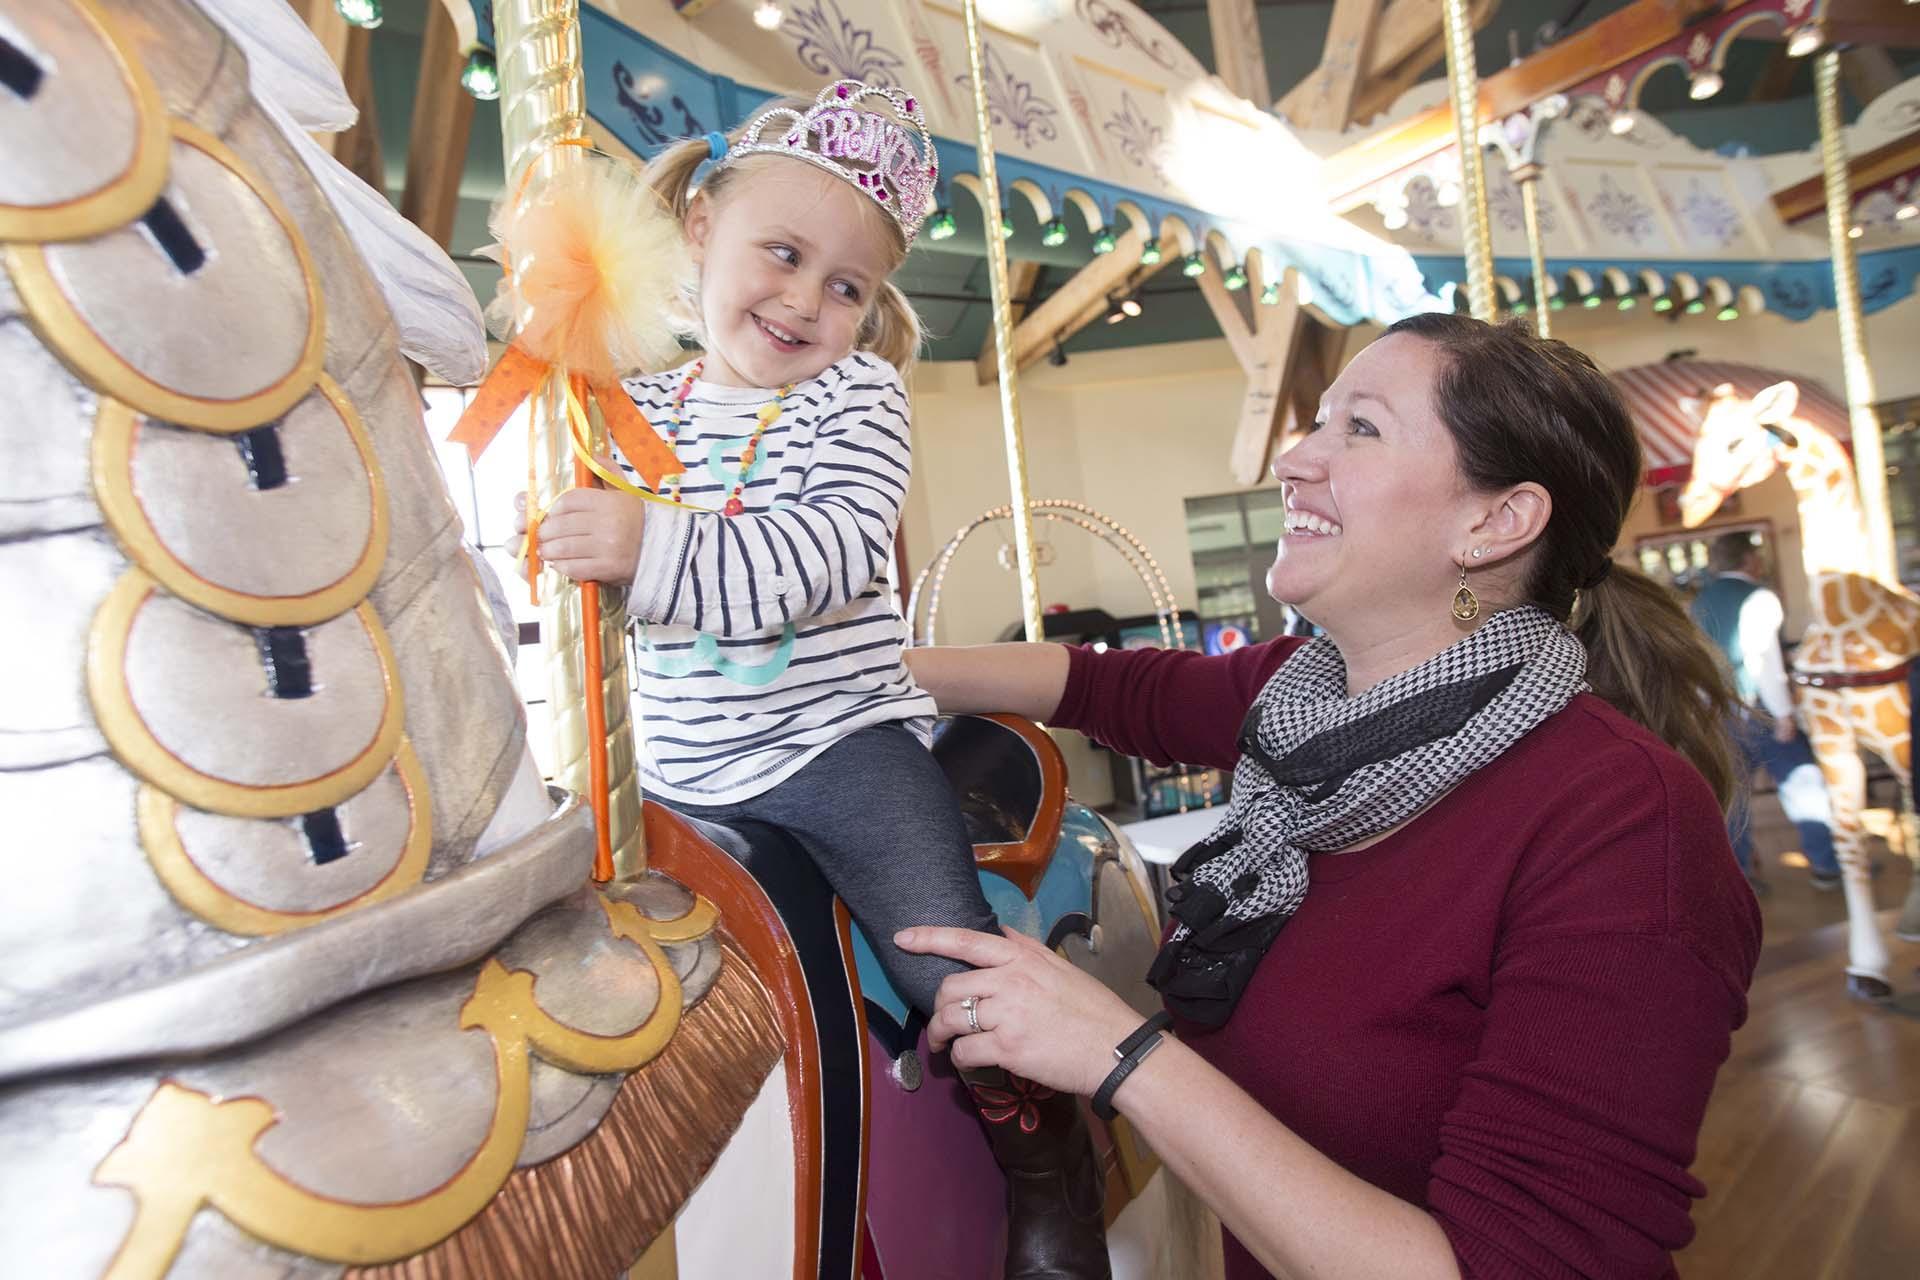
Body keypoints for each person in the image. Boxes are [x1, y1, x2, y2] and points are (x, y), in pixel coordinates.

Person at [901, 314, 1763, 1279]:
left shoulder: (1623, 825)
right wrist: (855, 675)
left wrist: (1118, 1052)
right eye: (1316, 422)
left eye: (1359, 428)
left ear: (1495, 521)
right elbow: (1104, 685)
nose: (1295, 458)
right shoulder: (1305, 700)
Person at [511, 81, 1109, 1277]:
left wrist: (647, 542)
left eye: (847, 286)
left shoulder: (856, 398)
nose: (805, 301)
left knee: (949, 960)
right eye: (780, 255)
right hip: (679, 768)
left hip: (836, 751)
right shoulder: (636, 410)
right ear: (701, 233)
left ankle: (1047, 1161)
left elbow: (829, 551)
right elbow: (600, 592)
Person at [1689, 530, 1844, 891]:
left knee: (1733, 796)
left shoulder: (1700, 601)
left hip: (1716, 710)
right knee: (1804, 780)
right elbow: (1765, 661)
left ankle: (1741, 876)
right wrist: (1785, 713)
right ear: (1749, 560)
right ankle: (1826, 866)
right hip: (1759, 708)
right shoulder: (1759, 598)